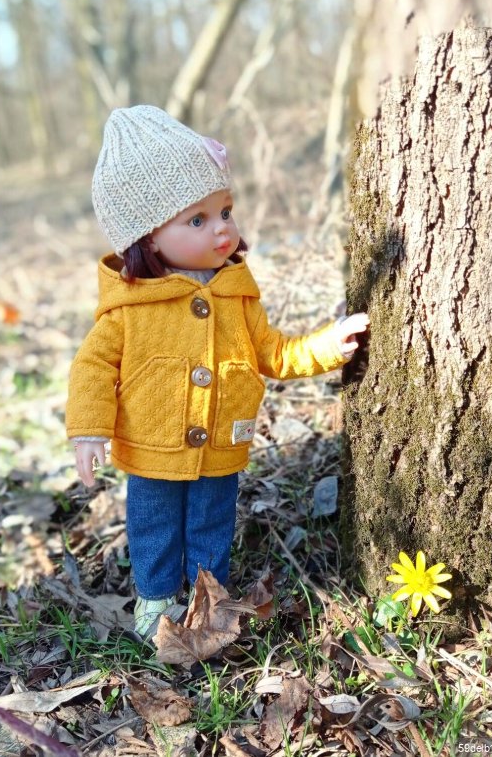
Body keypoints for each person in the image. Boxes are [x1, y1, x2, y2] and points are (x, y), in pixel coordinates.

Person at [66, 105, 369, 637]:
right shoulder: (130, 308)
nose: (222, 230)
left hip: (222, 444)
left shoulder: (235, 292)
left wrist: (325, 346)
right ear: (146, 237)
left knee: (212, 521)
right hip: (153, 446)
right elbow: (92, 367)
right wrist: (88, 428)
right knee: (153, 524)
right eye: (198, 220)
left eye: (225, 211)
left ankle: (212, 596)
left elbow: (272, 352)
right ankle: (157, 598)